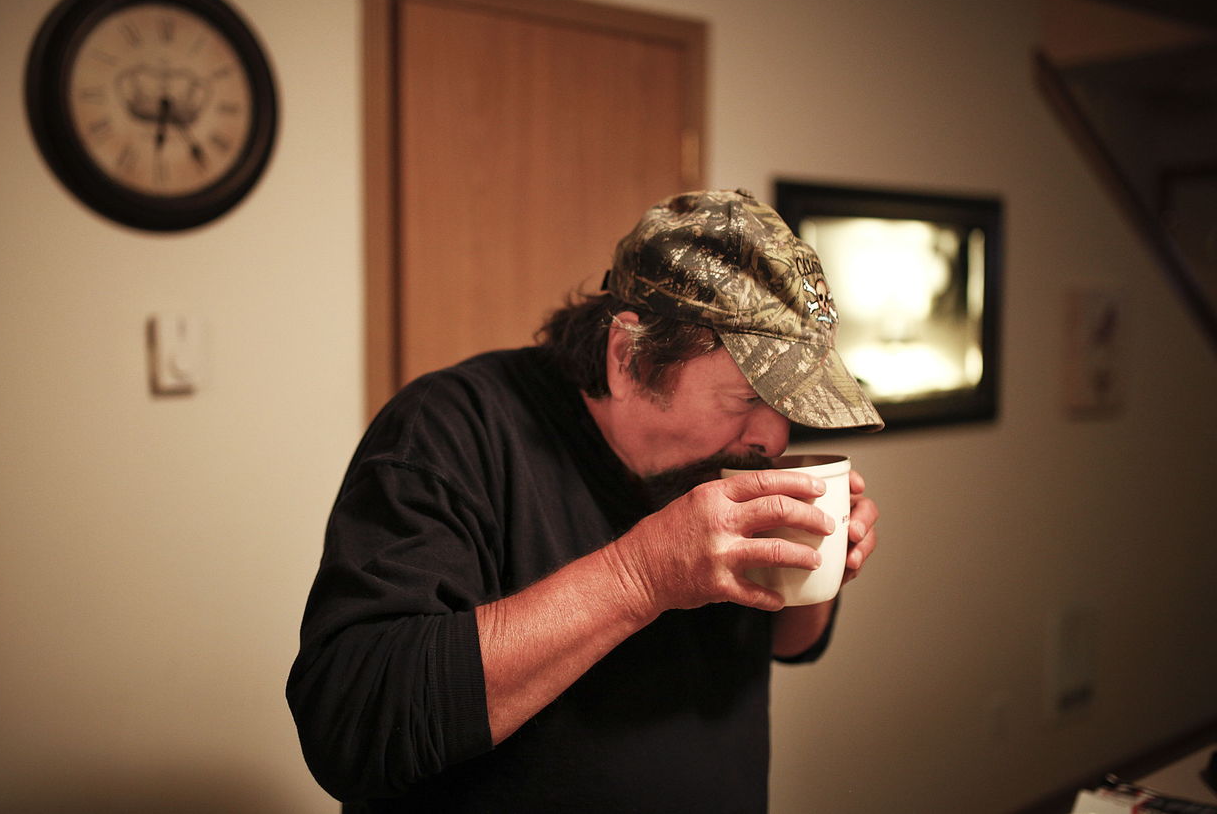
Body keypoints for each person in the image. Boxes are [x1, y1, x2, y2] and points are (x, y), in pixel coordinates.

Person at [287, 188, 884, 813]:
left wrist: (818, 561)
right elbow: (351, 727)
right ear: (628, 358)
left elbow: (789, 644)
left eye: (787, 405)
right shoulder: (449, 430)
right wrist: (642, 575)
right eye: (747, 399)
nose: (775, 436)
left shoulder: (724, 459)